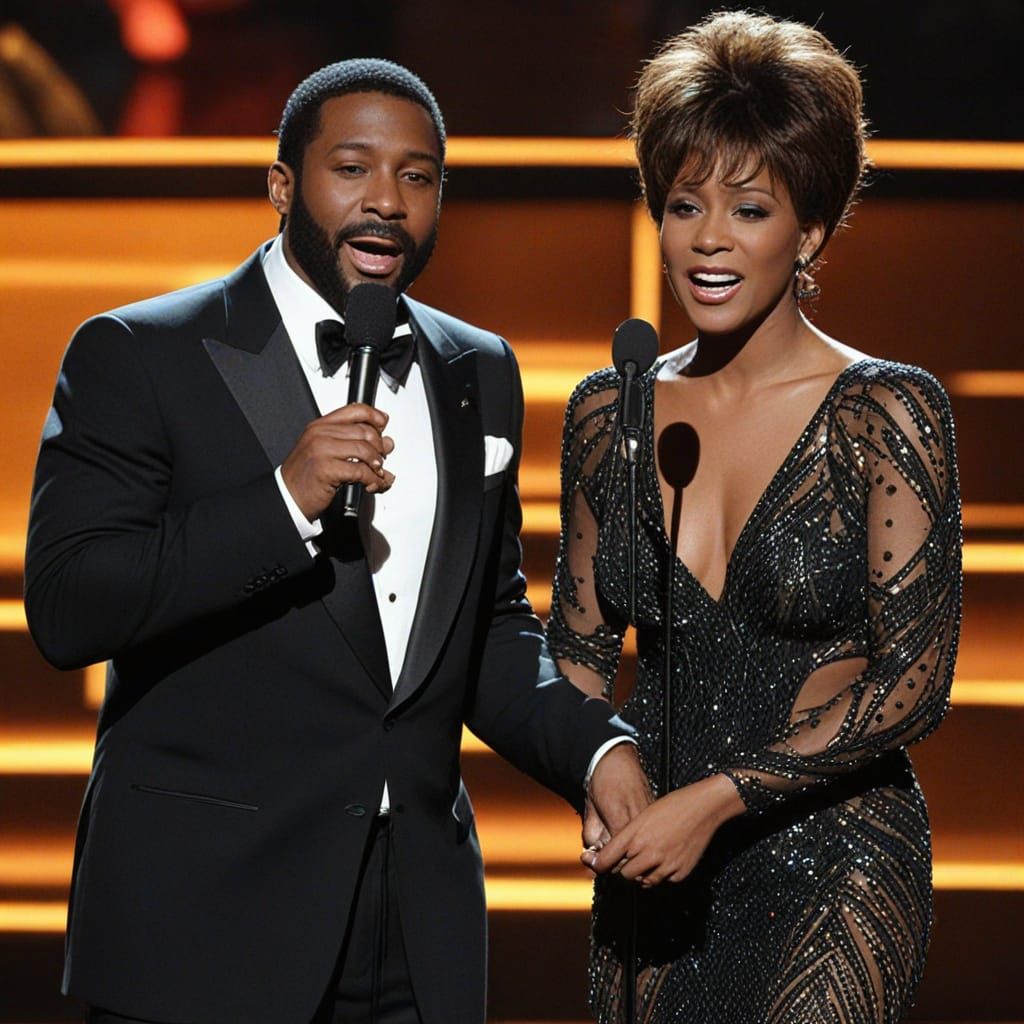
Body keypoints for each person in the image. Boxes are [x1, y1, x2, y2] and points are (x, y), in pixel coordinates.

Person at [24, 58, 649, 1024]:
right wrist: (283, 500)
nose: (387, 202)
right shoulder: (142, 352)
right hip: (204, 924)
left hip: (412, 925)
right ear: (282, 185)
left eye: (418, 175)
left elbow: (483, 629)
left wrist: (597, 751)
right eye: (352, 169)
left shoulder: (477, 368)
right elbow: (70, 606)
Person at [549, 12, 961, 1023]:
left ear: (811, 227)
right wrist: (599, 773)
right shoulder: (612, 414)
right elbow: (580, 646)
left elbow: (914, 677)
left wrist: (723, 794)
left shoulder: (885, 414)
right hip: (657, 868)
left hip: (831, 857)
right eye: (685, 205)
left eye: (749, 207)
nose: (710, 239)